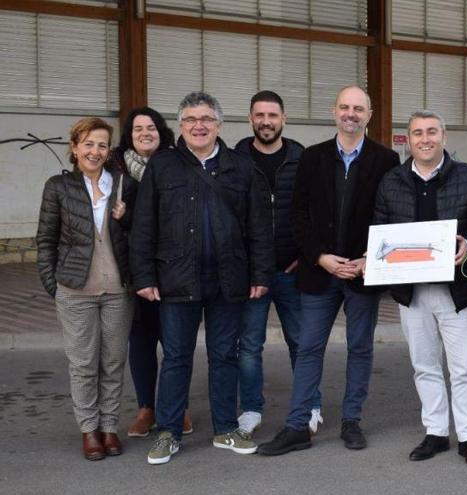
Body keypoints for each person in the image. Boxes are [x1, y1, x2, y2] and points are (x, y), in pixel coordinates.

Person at [130, 92, 274, 465]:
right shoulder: (163, 166)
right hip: (176, 278)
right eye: (191, 119)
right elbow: (144, 225)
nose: (199, 125)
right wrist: (144, 275)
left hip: (229, 278)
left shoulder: (240, 167)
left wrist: (260, 274)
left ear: (219, 125)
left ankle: (226, 428)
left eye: (206, 119)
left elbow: (258, 226)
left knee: (224, 356)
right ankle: (168, 432)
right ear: (181, 126)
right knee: (176, 357)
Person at [257, 86, 400, 456]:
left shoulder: (387, 160)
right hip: (320, 272)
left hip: (362, 271)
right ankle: (297, 426)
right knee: (308, 348)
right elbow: (298, 216)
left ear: (369, 115)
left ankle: (352, 421)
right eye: (344, 107)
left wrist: (370, 258)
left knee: (360, 348)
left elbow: (391, 215)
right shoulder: (313, 157)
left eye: (358, 108)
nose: (350, 114)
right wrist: (319, 256)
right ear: (334, 112)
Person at [372, 110, 467, 468]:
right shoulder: (391, 180)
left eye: (431, 132)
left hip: (458, 290)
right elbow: (380, 226)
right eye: (417, 133)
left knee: (464, 367)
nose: (424, 139)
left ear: (444, 136)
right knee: (424, 364)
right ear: (408, 140)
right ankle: (436, 432)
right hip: (412, 292)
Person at [36, 117, 136, 460]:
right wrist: (54, 284)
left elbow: (138, 236)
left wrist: (126, 218)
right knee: (83, 364)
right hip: (75, 289)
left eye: (102, 145)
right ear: (75, 147)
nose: (95, 151)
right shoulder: (58, 187)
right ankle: (89, 430)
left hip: (117, 291)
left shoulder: (122, 184)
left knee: (112, 361)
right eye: (89, 144)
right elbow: (46, 240)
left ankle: (109, 428)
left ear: (109, 151)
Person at [234, 91, 323, 435]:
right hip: (252, 273)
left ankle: (311, 405)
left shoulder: (303, 158)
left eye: (272, 115)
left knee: (302, 343)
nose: (266, 121)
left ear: (284, 119)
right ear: (250, 119)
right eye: (260, 115)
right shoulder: (235, 159)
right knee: (249, 346)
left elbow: (317, 212)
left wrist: (307, 255)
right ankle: (252, 409)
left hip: (292, 270)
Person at [107, 107, 193, 438]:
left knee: (176, 342)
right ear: (129, 135)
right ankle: (146, 408)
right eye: (138, 128)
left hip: (175, 268)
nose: (145, 132)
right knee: (141, 341)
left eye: (152, 127)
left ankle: (178, 407)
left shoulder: (177, 164)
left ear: (162, 132)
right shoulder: (115, 171)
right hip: (134, 269)